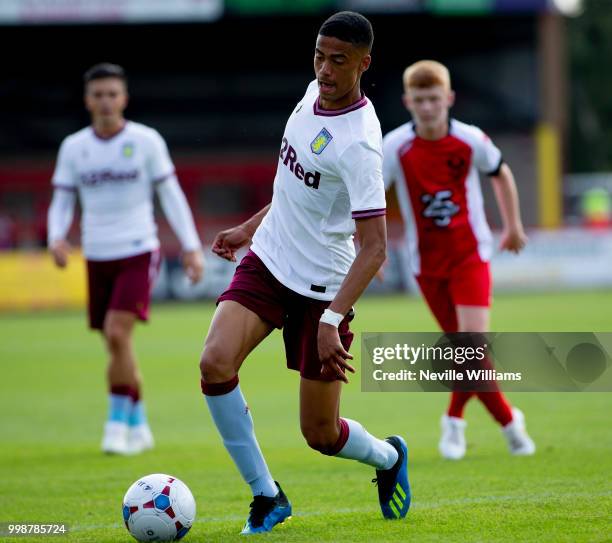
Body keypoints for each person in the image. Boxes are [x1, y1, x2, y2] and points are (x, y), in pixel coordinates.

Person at [200, 11, 410, 535]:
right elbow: (294, 188)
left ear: (365, 63)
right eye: (319, 55)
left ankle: (387, 457)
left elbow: (375, 248)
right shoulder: (308, 96)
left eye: (339, 61)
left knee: (320, 434)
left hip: (322, 288)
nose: (325, 69)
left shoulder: (360, 145)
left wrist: (330, 319)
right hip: (269, 261)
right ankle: (266, 497)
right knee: (214, 362)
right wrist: (250, 227)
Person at [47, 63, 204, 455]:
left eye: (112, 94)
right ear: (88, 100)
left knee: (118, 333)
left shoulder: (146, 141)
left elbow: (171, 195)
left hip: (137, 248)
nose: (105, 102)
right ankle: (140, 422)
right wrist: (55, 237)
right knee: (117, 345)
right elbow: (63, 199)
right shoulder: (74, 147)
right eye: (98, 95)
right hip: (96, 254)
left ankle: (115, 426)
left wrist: (191, 245)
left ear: (124, 98)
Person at [382, 60, 536, 460]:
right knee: (467, 356)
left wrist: (513, 225)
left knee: (469, 347)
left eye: (434, 99)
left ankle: (455, 423)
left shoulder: (471, 140)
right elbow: (370, 201)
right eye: (419, 100)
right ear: (407, 102)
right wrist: (372, 250)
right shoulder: (394, 147)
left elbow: (500, 173)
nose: (428, 107)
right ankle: (509, 421)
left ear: (448, 98)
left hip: (470, 254)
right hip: (425, 263)